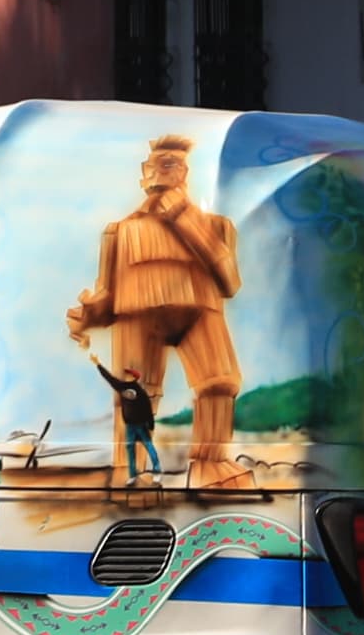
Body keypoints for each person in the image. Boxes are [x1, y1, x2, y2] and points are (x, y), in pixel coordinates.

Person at [66, 133, 244, 482]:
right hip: (138, 314)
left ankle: (211, 463)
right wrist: (87, 316)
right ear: (144, 173)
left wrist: (184, 218)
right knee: (134, 393)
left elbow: (229, 282)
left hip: (200, 309)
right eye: (159, 164)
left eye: (173, 165)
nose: (165, 172)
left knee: (220, 381)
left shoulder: (215, 226)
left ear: (185, 174)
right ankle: (133, 473)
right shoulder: (121, 231)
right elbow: (107, 292)